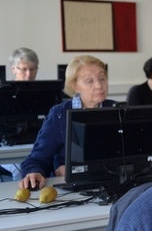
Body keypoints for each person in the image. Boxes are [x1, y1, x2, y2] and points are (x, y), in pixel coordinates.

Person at [19, 55, 116, 190]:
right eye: (89, 81)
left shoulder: (116, 110)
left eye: (102, 78)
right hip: (73, 188)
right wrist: (34, 171)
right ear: (74, 85)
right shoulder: (60, 114)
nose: (99, 85)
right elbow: (37, 159)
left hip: (110, 184)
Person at [2, 47, 40, 180]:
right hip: (8, 146)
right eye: (24, 69)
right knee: (21, 167)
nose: (29, 74)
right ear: (13, 69)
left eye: (33, 69)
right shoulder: (3, 95)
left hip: (35, 143)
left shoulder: (46, 94)